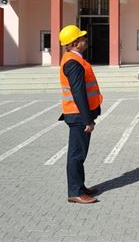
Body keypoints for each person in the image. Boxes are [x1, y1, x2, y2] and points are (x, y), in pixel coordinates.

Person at [57, 24, 103, 204]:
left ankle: (80, 187)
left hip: (77, 114)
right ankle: (75, 192)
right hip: (77, 116)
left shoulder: (74, 59)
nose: (85, 40)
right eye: (82, 38)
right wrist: (87, 119)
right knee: (76, 155)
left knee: (80, 154)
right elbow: (78, 93)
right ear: (76, 43)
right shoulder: (73, 63)